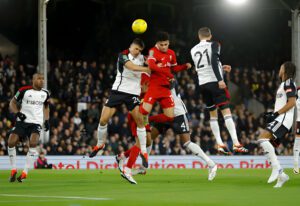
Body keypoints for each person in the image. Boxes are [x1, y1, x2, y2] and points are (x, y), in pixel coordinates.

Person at [89, 38, 150, 184]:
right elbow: (132, 67)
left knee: (140, 121)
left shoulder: (144, 58)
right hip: (118, 91)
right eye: (135, 49)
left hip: (133, 94)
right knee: (103, 119)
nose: (137, 52)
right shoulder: (122, 55)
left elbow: (153, 64)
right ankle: (100, 143)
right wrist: (147, 68)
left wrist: (151, 63)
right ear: (130, 47)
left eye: (139, 50)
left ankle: (143, 151)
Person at [190, 27, 247, 154]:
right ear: (210, 36)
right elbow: (214, 61)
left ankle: (220, 144)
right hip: (215, 82)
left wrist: (222, 67)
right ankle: (236, 143)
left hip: (203, 84)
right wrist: (220, 78)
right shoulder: (215, 44)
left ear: (199, 37)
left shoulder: (193, 49)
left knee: (213, 115)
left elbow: (204, 66)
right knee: (226, 113)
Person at [139, 31, 191, 126]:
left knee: (170, 117)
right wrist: (168, 74)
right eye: (161, 44)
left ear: (169, 43)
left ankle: (148, 120)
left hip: (165, 88)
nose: (163, 46)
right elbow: (151, 66)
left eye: (165, 44)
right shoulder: (152, 51)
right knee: (144, 112)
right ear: (157, 43)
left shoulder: (171, 53)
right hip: (154, 87)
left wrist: (184, 66)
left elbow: (174, 68)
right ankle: (141, 123)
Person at [258, 61, 297, 188]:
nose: (279, 69)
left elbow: (292, 103)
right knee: (264, 141)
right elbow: (284, 103)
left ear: (285, 70)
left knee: (263, 138)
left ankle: (277, 169)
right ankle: (281, 175)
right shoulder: (283, 84)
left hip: (284, 119)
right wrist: (272, 113)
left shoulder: (289, 83)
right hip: (280, 118)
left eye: (281, 67)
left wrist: (276, 114)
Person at [8, 73, 50, 182]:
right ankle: (13, 170)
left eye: (43, 79)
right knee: (11, 142)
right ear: (33, 80)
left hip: (36, 123)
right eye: (39, 79)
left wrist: (47, 120)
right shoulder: (23, 90)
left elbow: (46, 106)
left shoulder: (45, 93)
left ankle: (25, 172)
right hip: (22, 121)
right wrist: (17, 113)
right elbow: (12, 103)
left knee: (33, 143)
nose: (42, 81)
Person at [293, 86, 300, 174]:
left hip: (299, 122)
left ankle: (295, 167)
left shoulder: (297, 101)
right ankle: (295, 166)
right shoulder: (297, 101)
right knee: (297, 145)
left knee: (297, 146)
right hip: (299, 122)